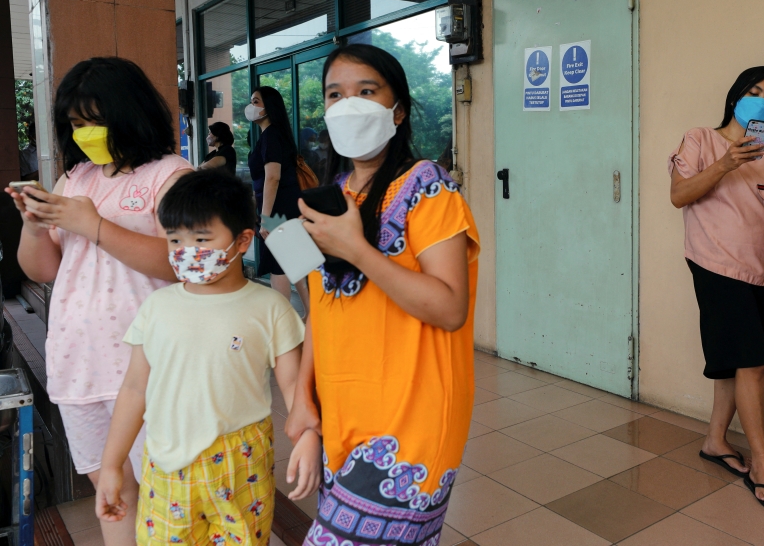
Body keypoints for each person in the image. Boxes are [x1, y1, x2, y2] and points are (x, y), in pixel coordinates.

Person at [284, 44, 479, 546]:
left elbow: (450, 307)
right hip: (343, 415)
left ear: (398, 109)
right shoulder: (332, 196)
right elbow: (319, 315)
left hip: (409, 424)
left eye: (366, 91)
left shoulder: (428, 186)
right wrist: (304, 405)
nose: (349, 104)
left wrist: (358, 249)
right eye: (335, 94)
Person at [5, 57, 192, 546]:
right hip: (79, 363)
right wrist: (33, 223)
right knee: (109, 489)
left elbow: (185, 262)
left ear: (129, 113)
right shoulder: (78, 179)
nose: (85, 132)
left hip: (151, 367)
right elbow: (44, 269)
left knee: (166, 491)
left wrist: (96, 226)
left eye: (94, 120)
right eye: (76, 123)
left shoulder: (171, 174)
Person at [94, 169, 319, 545]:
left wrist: (309, 435)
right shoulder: (156, 307)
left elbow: (295, 383)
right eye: (174, 240)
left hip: (241, 458)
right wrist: (112, 464)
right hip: (167, 462)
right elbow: (134, 389)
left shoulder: (269, 308)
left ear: (243, 240)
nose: (185, 251)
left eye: (201, 238)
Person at [669, 66, 764, 514]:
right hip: (715, 263)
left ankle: (715, 441)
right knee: (753, 363)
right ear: (735, 96)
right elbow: (679, 195)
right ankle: (762, 466)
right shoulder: (700, 139)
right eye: (754, 91)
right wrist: (726, 163)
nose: (763, 101)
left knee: (733, 362)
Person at [246, 86, 309, 314]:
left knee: (278, 266)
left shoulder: (271, 135)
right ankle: (313, 316)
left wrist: (265, 220)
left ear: (268, 107)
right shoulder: (273, 135)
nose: (251, 107)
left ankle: (284, 323)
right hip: (285, 206)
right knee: (295, 264)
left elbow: (272, 178)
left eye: (255, 102)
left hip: (277, 210)